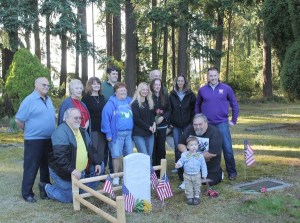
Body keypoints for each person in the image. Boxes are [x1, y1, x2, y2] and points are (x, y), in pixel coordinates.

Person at [40, 108, 101, 203]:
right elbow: (60, 157)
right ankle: (46, 187)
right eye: (75, 118)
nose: (78, 120)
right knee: (71, 198)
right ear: (66, 118)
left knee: (84, 193)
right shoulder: (60, 133)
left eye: (80, 118)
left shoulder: (82, 131)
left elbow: (91, 148)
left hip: (80, 172)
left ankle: (72, 187)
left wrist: (97, 162)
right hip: (63, 172)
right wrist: (72, 170)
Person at [15, 77, 56, 203]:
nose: (46, 87)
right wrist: (30, 131)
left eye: (48, 85)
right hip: (34, 140)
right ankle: (27, 193)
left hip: (48, 139)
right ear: (36, 85)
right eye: (43, 85)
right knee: (31, 166)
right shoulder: (29, 100)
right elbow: (19, 120)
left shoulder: (48, 100)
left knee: (45, 167)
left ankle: (45, 190)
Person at [195, 67, 239, 180]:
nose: (213, 77)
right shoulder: (202, 90)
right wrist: (198, 120)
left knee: (227, 148)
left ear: (218, 76)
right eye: (211, 75)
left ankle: (232, 172)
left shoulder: (226, 89)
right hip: (207, 125)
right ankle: (208, 172)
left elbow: (234, 104)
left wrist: (234, 120)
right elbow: (197, 106)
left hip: (222, 123)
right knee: (206, 150)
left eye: (215, 75)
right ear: (207, 77)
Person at [101, 82, 134, 186]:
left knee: (128, 155)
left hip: (129, 134)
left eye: (124, 90)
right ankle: (115, 176)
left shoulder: (129, 101)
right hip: (117, 134)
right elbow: (105, 119)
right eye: (120, 91)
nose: (123, 92)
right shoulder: (111, 103)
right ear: (115, 92)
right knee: (116, 156)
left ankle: (127, 175)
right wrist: (108, 134)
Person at [178, 113, 223, 186]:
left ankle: (219, 173)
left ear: (206, 123)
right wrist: (186, 153)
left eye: (200, 124)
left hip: (209, 166)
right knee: (183, 176)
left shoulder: (215, 132)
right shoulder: (189, 129)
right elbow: (180, 144)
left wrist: (191, 157)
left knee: (209, 182)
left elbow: (211, 154)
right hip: (192, 165)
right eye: (195, 124)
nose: (197, 127)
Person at [169, 75, 196, 183]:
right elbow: (169, 109)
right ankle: (178, 165)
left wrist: (192, 122)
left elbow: (194, 109)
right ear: (176, 82)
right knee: (177, 145)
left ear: (185, 82)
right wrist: (170, 122)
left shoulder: (190, 94)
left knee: (189, 144)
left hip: (188, 124)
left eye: (182, 81)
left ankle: (190, 164)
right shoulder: (172, 95)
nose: (180, 82)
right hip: (176, 125)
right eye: (178, 81)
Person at [175, 136, 207, 205]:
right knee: (188, 186)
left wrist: (204, 174)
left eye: (195, 145)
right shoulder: (185, 155)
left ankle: (196, 197)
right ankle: (189, 197)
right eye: (191, 145)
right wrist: (178, 164)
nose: (194, 147)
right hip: (187, 174)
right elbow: (181, 161)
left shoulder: (200, 155)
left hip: (197, 174)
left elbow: (203, 165)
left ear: (198, 146)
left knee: (197, 185)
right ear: (188, 146)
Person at [82, 77, 106, 165]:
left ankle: (100, 173)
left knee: (101, 150)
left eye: (98, 83)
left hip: (102, 127)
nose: (97, 85)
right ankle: (92, 172)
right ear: (90, 85)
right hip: (92, 128)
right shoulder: (86, 98)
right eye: (94, 84)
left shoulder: (102, 97)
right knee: (93, 150)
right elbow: (84, 114)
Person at [131, 82, 156, 162]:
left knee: (150, 156)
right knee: (144, 156)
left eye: (146, 90)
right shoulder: (135, 104)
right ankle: (144, 174)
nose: (145, 91)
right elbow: (137, 119)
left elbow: (152, 115)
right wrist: (149, 127)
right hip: (139, 134)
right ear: (139, 90)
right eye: (143, 89)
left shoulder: (149, 102)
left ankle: (149, 174)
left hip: (149, 134)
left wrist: (154, 124)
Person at [150, 78, 171, 171]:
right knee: (153, 147)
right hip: (152, 126)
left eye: (159, 85)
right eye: (155, 85)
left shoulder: (165, 96)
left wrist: (163, 117)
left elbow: (169, 110)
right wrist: (154, 121)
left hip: (162, 125)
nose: (157, 86)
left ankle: (161, 170)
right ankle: (154, 169)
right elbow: (148, 111)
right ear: (152, 86)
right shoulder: (149, 97)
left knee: (161, 147)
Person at [101, 66, 119, 174]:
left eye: (116, 74)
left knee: (114, 149)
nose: (115, 76)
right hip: (105, 121)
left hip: (117, 123)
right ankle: (102, 172)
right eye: (113, 74)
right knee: (104, 149)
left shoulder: (119, 86)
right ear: (108, 75)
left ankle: (113, 171)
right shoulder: (102, 86)